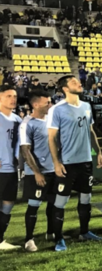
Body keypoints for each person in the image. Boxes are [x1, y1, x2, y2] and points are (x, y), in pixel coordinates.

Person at [47, 75, 102, 251]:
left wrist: (99, 152)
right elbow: (52, 138)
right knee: (61, 202)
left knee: (86, 198)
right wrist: (56, 163)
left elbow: (91, 130)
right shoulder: (57, 110)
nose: (79, 83)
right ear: (65, 88)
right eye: (73, 82)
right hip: (67, 163)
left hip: (86, 161)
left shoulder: (87, 106)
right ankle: (58, 239)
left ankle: (84, 231)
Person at [19, 91, 55, 252]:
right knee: (34, 205)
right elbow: (26, 151)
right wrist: (37, 172)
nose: (50, 104)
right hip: (37, 173)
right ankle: (29, 239)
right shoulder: (27, 123)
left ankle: (51, 232)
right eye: (47, 102)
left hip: (54, 170)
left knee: (53, 204)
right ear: (35, 105)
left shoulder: (51, 120)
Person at [0, 85, 21, 250]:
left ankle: (0, 240)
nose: (13, 99)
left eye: (14, 96)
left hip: (11, 170)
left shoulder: (17, 120)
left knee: (8, 203)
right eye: (8, 96)